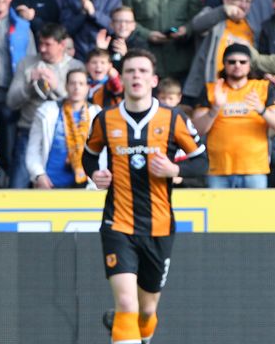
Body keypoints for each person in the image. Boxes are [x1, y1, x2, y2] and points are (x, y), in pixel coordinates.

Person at [83, 48, 207, 344]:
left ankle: (139, 333)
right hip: (118, 224)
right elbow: (89, 155)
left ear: (153, 80)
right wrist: (95, 174)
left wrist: (173, 172)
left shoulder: (173, 118)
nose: (135, 75)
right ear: (122, 79)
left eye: (141, 71)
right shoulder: (105, 119)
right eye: (129, 71)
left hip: (159, 226)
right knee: (126, 304)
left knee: (146, 311)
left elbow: (202, 162)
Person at [192, 43, 275, 189]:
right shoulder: (212, 89)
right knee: (219, 212)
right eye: (232, 61)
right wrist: (215, 108)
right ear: (224, 64)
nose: (237, 65)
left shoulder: (263, 87)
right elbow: (196, 130)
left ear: (250, 65)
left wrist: (261, 110)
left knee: (255, 212)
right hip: (218, 169)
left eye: (243, 62)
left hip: (254, 169)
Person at [6, 23, 84, 188]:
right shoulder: (27, 64)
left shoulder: (75, 67)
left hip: (65, 135)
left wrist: (57, 87)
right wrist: (28, 85)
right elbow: (11, 102)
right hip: (28, 130)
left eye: (47, 44)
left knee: (64, 187)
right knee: (17, 186)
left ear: (62, 45)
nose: (41, 49)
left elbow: (81, 103)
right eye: (40, 43)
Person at [26, 68, 101, 188]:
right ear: (66, 86)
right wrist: (38, 175)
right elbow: (33, 149)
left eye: (81, 84)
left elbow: (103, 154)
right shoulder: (46, 111)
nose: (76, 87)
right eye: (72, 83)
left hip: (86, 186)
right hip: (50, 184)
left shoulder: (98, 114)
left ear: (87, 87)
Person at [0, 0, 36, 180]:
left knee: (8, 151)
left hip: (10, 98)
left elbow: (31, 62)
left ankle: (6, 194)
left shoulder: (22, 27)